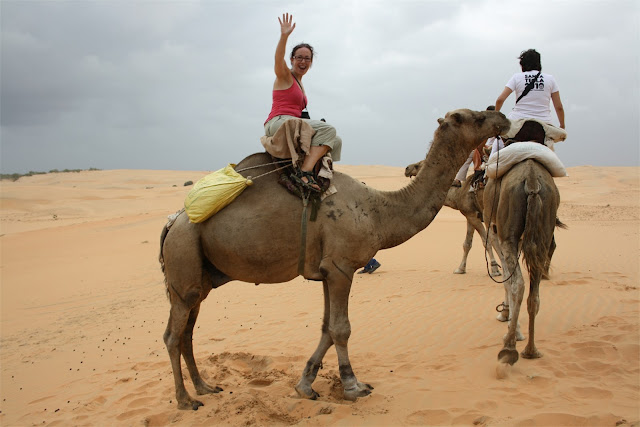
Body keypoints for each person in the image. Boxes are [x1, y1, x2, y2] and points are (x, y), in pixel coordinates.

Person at [264, 13, 342, 192]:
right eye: (299, 57)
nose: (303, 61)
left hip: (293, 124)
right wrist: (284, 36)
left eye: (307, 58)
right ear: (292, 60)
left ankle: (322, 173)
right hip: (279, 123)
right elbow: (278, 60)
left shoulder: (301, 84)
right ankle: (304, 172)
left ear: (311, 62)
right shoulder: (285, 77)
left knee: (335, 140)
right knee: (329, 129)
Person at [452, 106, 497, 187]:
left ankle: (474, 174)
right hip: (489, 147)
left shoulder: (493, 126)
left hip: (492, 148)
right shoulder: (494, 125)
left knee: (473, 152)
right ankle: (459, 179)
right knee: (472, 152)